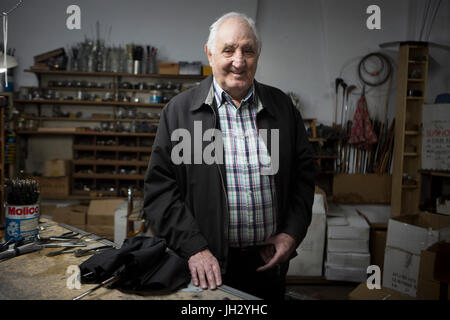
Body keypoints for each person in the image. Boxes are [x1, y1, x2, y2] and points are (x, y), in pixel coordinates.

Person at [144, 12, 315, 301]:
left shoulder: (282, 108)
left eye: (248, 50)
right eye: (228, 50)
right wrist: (194, 248)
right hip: (203, 267)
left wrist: (291, 232)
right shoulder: (180, 113)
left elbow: (303, 176)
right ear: (209, 53)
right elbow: (160, 192)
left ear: (258, 54)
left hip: (267, 265)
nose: (239, 61)